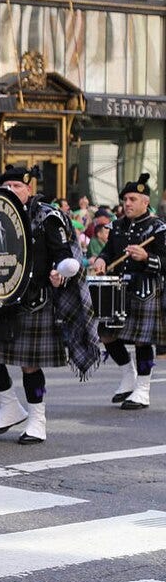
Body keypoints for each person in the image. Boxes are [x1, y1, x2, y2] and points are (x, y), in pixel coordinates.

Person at [0, 165, 97, 445]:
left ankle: (37, 420)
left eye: (17, 186)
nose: (11, 192)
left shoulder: (48, 217)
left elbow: (64, 256)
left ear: (29, 189)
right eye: (6, 188)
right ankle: (9, 406)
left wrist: (60, 274)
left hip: (34, 298)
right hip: (0, 295)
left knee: (29, 365)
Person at [93, 173, 166, 410]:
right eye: (125, 199)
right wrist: (102, 260)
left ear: (145, 202)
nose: (128, 203)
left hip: (146, 291)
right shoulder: (117, 226)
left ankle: (143, 390)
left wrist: (147, 257)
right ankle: (128, 375)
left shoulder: (158, 228)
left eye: (133, 199)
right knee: (106, 334)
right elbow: (108, 251)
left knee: (143, 342)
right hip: (118, 290)